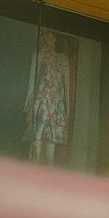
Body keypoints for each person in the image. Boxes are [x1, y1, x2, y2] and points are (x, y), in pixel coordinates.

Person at [23, 30, 71, 165]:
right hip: (41, 100)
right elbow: (32, 81)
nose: (49, 38)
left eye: (52, 36)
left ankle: (47, 173)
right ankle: (33, 169)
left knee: (51, 141)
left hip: (56, 104)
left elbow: (66, 85)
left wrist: (67, 109)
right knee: (36, 139)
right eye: (47, 36)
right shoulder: (38, 56)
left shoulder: (63, 59)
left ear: (55, 38)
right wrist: (28, 104)